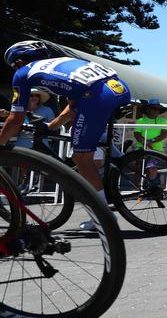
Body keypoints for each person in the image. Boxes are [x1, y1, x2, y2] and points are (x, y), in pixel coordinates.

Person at [0, 41, 131, 202]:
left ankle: (103, 217)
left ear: (19, 61)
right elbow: (73, 107)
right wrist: (51, 126)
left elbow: (16, 118)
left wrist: (1, 142)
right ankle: (118, 165)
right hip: (120, 89)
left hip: (96, 97)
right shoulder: (63, 62)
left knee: (81, 157)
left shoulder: (22, 73)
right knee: (89, 143)